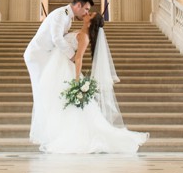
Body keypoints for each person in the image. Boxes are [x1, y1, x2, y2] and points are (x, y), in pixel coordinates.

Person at [30, 11, 149, 154]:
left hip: (66, 71)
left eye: (90, 14)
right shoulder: (78, 32)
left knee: (67, 104)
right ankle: (60, 133)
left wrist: (76, 79)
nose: (86, 13)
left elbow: (78, 58)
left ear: (90, 22)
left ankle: (71, 135)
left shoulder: (84, 37)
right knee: (58, 102)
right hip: (57, 67)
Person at [24, 0, 93, 96]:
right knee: (42, 92)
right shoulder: (61, 14)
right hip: (38, 54)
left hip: (46, 54)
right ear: (79, 5)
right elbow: (57, 38)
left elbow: (63, 36)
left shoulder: (67, 17)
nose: (87, 13)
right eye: (86, 9)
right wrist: (73, 57)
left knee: (47, 91)